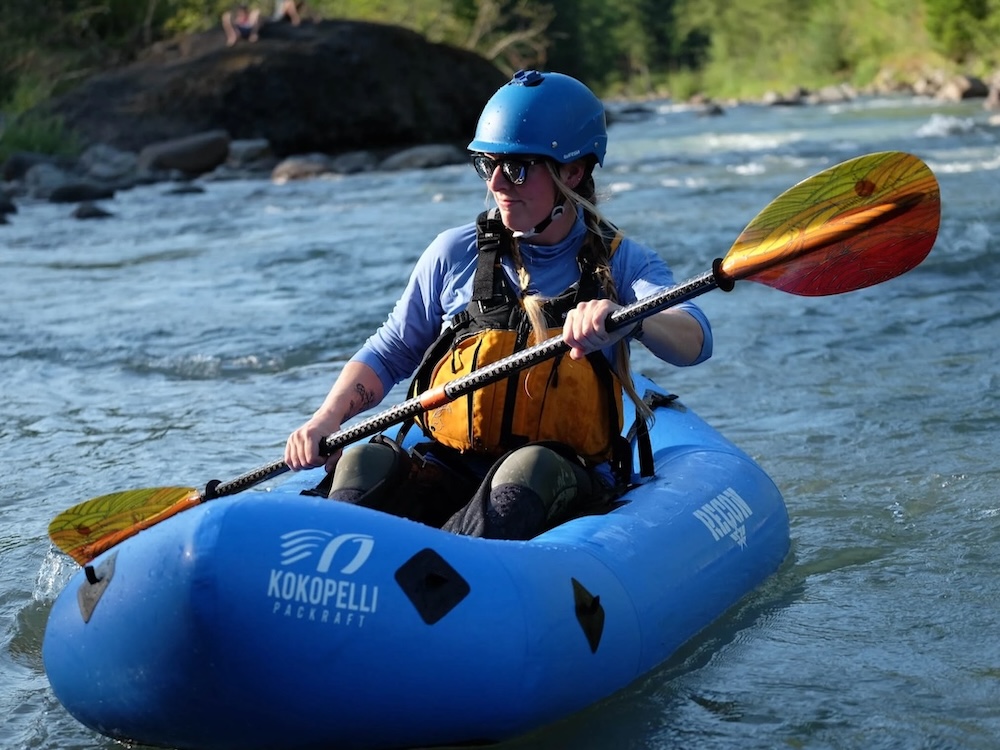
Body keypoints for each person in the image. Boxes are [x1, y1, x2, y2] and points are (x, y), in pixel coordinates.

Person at [284, 69, 713, 540]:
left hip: (558, 478)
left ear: (573, 171)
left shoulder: (621, 262)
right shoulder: (455, 252)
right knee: (366, 458)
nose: (498, 184)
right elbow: (390, 353)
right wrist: (324, 420)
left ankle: (454, 579)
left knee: (527, 471)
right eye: (488, 165)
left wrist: (629, 322)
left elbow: (693, 338)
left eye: (518, 168)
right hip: (450, 468)